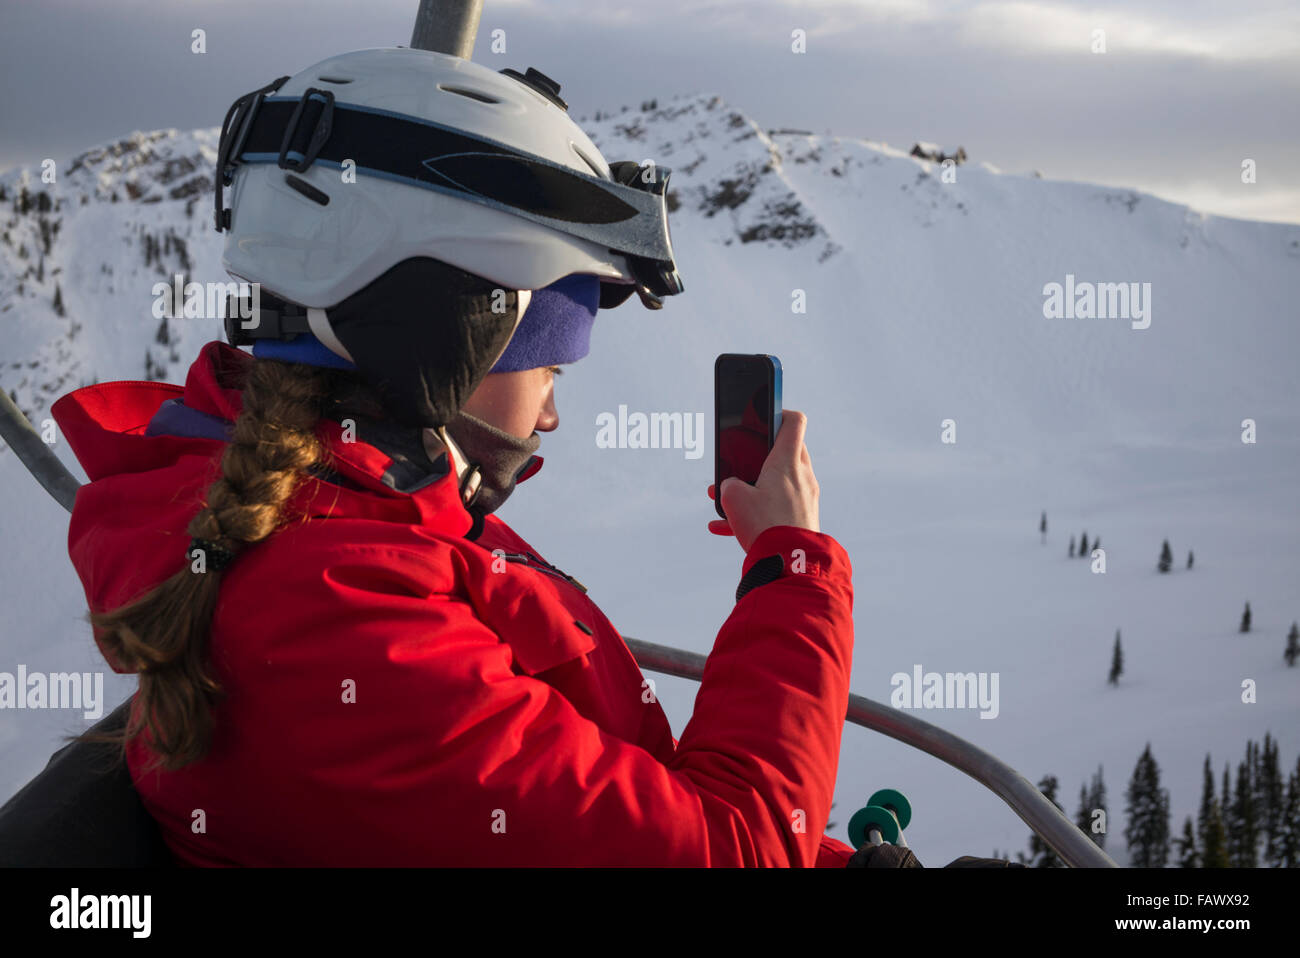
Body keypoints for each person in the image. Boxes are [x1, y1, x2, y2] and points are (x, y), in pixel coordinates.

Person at [49, 47, 858, 866]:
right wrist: (791, 570)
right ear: (445, 332)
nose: (549, 414)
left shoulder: (372, 512)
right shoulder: (340, 617)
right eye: (548, 365)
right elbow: (731, 853)